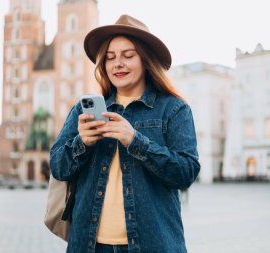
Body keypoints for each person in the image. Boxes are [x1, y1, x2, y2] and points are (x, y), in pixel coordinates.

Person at [50, 14, 200, 253]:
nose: (117, 64)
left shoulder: (174, 109)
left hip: (153, 245)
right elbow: (57, 166)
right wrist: (82, 143)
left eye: (128, 56)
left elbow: (187, 172)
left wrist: (135, 141)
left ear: (146, 60)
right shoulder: (84, 109)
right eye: (110, 58)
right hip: (89, 245)